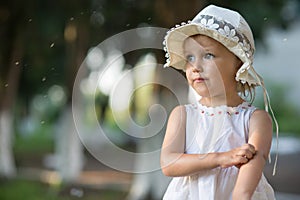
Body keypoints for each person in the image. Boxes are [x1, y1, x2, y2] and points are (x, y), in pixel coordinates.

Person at [160, 4, 278, 200]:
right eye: (190, 57)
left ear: (238, 64)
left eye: (208, 55)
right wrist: (220, 158)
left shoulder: (255, 120)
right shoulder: (183, 115)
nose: (195, 66)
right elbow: (169, 163)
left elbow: (246, 183)